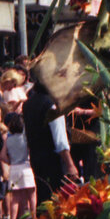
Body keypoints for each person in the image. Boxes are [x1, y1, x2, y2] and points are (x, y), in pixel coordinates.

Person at [22, 75, 79, 206]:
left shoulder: (27, 104)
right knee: (58, 199)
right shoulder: (52, 105)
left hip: (36, 157)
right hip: (54, 160)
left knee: (43, 196)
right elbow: (60, 138)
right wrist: (70, 164)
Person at [4, 113, 37, 219]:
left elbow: (3, 155)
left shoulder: (8, 139)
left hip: (14, 168)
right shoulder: (25, 138)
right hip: (26, 166)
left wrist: (10, 160)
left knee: (15, 197)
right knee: (32, 195)